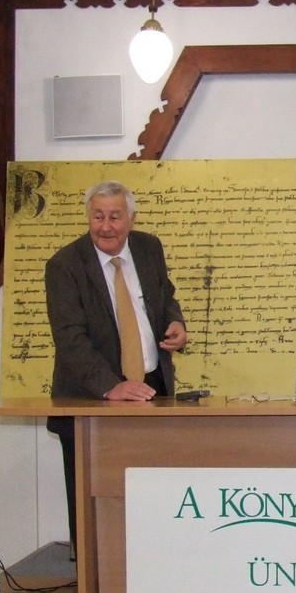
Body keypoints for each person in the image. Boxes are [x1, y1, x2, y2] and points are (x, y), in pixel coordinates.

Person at [45, 180, 187, 538]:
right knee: (93, 513)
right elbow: (70, 339)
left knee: (153, 498)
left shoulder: (149, 248)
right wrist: (112, 386)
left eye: (114, 217)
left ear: (131, 219)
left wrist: (175, 322)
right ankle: (91, 572)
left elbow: (166, 295)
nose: (105, 226)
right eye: (97, 216)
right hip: (90, 401)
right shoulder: (64, 265)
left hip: (152, 391)